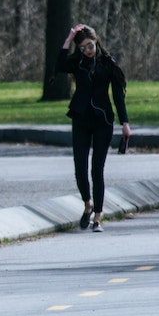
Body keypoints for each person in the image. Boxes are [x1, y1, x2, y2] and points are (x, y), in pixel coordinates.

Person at [56, 23, 131, 233]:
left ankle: (98, 216)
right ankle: (87, 204)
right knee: (79, 165)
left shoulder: (108, 64)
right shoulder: (77, 62)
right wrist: (68, 40)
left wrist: (125, 123)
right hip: (81, 118)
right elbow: (59, 66)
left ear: (96, 41)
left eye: (89, 46)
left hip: (102, 120)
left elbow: (118, 96)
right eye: (83, 48)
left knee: (97, 169)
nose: (87, 51)